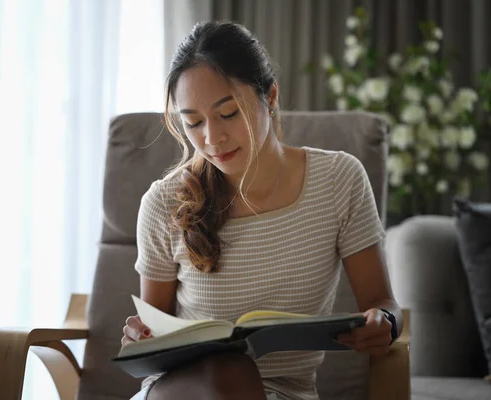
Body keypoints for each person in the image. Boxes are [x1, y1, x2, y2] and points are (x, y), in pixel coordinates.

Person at [122, 20, 403, 400]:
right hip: (181, 392)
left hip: (284, 394)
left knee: (235, 376)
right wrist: (140, 337)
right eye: (193, 122)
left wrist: (384, 322)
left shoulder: (338, 181)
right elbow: (153, 340)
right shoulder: (165, 203)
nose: (212, 138)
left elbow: (383, 304)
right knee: (226, 372)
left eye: (229, 113)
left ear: (269, 97)